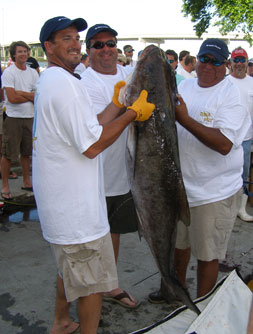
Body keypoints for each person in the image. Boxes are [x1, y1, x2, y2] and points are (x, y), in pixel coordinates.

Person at [33, 16, 154, 334]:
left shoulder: (54, 80)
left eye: (75, 37)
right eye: (65, 38)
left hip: (65, 209)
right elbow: (93, 145)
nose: (74, 43)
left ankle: (61, 321)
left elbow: (89, 128)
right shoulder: (68, 86)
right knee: (90, 287)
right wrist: (130, 113)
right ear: (48, 47)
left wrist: (116, 105)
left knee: (72, 269)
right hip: (76, 215)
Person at [148, 38, 250, 304]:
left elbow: (224, 144)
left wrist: (185, 119)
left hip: (214, 193)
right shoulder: (187, 86)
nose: (208, 66)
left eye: (215, 61)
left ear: (226, 65)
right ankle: (175, 293)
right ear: (196, 59)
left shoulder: (232, 96)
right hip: (181, 187)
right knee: (178, 247)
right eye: (204, 59)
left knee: (207, 254)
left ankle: (203, 308)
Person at [81, 23, 140, 309]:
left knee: (113, 230)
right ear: (88, 50)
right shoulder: (84, 81)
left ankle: (109, 284)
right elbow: (96, 127)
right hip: (93, 173)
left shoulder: (131, 73)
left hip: (125, 172)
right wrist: (123, 105)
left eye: (111, 43)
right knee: (91, 236)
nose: (106, 49)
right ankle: (87, 293)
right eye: (98, 44)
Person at [1, 41, 39, 200]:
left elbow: (38, 97)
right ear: (14, 55)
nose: (23, 54)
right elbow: (11, 98)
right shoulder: (9, 73)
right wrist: (29, 95)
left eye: (25, 51)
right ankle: (5, 185)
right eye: (20, 52)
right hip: (13, 118)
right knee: (8, 154)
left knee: (26, 152)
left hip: (30, 118)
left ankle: (27, 181)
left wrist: (21, 93)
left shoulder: (33, 73)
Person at [227, 47, 253, 222]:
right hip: (225, 137)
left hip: (246, 138)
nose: (239, 64)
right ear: (230, 63)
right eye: (235, 60)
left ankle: (241, 209)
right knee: (226, 174)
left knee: (243, 175)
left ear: (247, 62)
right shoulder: (224, 82)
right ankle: (227, 208)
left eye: (242, 60)